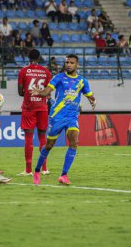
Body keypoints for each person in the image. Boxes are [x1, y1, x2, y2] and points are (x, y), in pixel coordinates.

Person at [31, 54, 96, 185]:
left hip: (72, 117)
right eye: (67, 62)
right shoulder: (59, 78)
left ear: (77, 65)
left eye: (71, 63)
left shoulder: (82, 81)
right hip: (57, 116)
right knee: (49, 146)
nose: (68, 65)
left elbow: (89, 95)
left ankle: (64, 175)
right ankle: (37, 170)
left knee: (74, 142)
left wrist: (93, 101)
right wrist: (40, 92)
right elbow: (47, 91)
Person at [17, 49, 52, 176]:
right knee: (43, 137)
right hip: (42, 107)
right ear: (39, 57)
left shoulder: (24, 71)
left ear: (28, 57)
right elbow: (48, 91)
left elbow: (20, 92)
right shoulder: (46, 72)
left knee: (28, 138)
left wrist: (29, 94)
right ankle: (44, 168)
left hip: (29, 107)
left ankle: (28, 170)